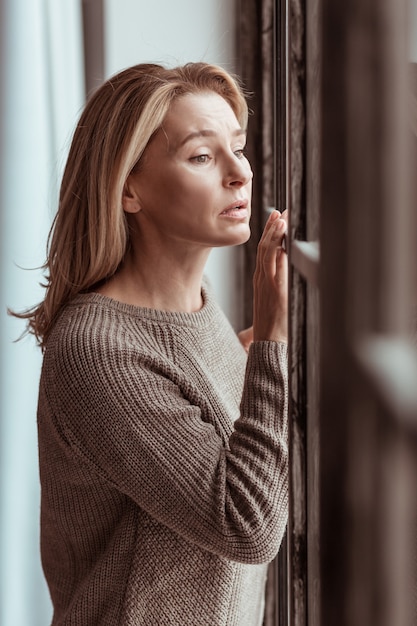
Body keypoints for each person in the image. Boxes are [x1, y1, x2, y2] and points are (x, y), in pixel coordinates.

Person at [15, 62, 288, 625]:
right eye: (202, 156)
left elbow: (194, 408)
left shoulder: (194, 307)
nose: (240, 173)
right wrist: (272, 346)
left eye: (238, 147)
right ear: (129, 188)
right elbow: (249, 526)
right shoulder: (98, 351)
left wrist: (254, 346)